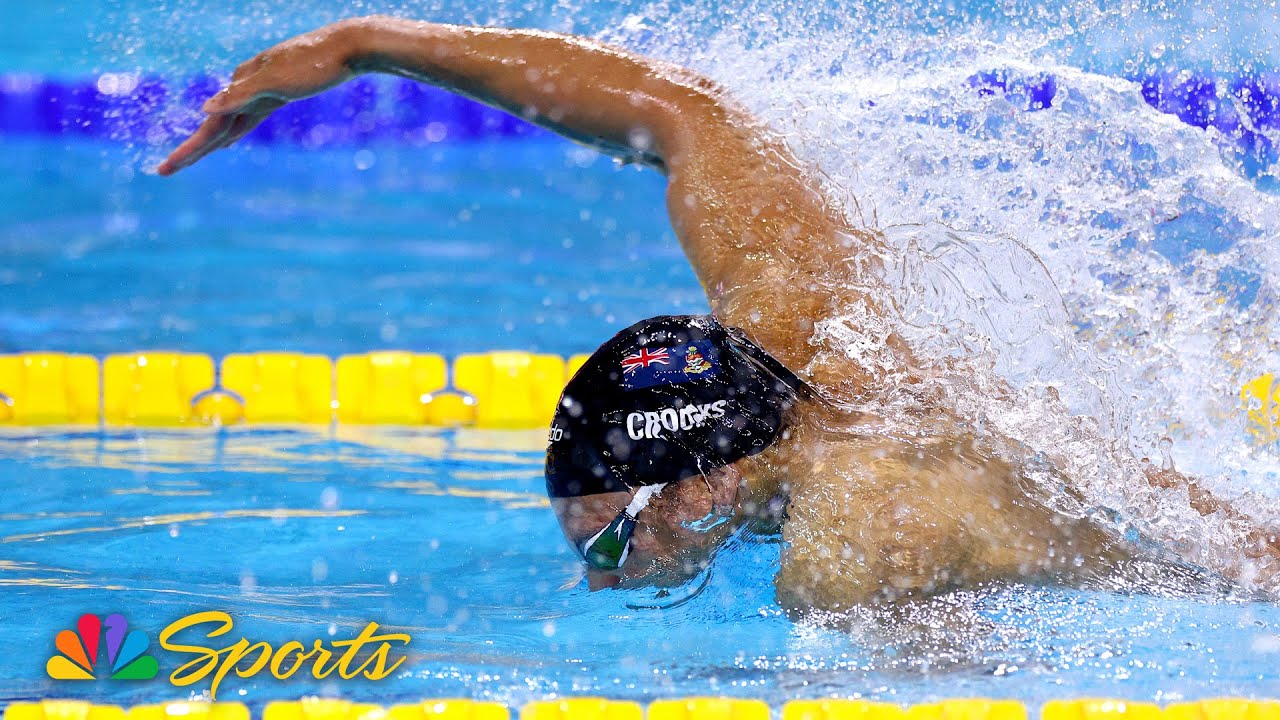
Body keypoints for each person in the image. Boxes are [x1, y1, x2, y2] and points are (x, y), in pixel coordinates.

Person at [160, 16, 1280, 611]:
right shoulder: (797, 325)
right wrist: (370, 45)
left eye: (609, 536)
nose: (595, 578)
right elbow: (679, 115)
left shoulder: (851, 553)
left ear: (704, 484)